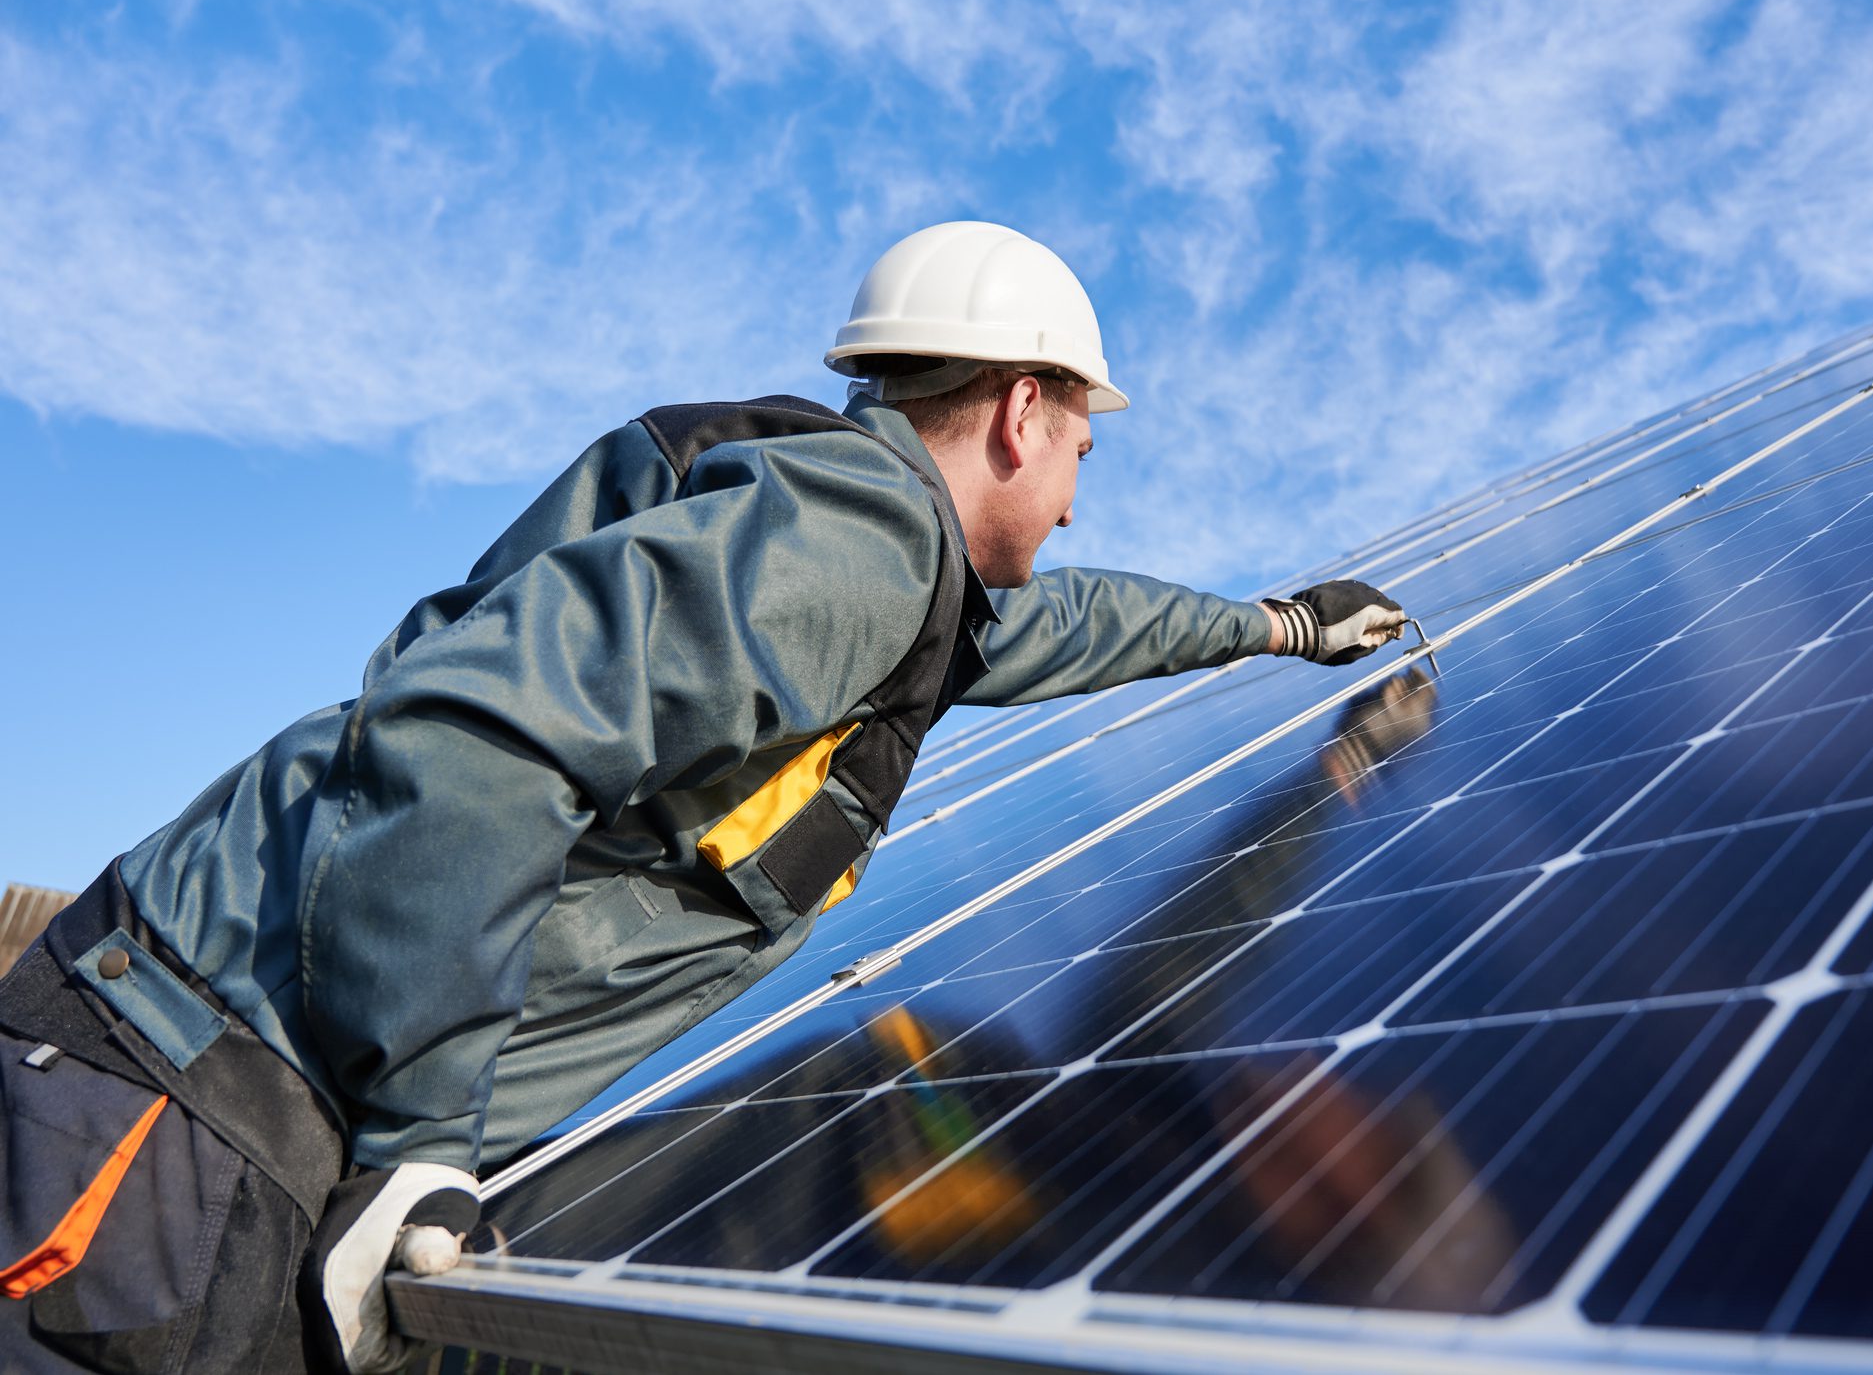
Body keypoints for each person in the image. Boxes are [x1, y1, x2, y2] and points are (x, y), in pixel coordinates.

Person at [0, 221, 1409, 1373]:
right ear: (1020, 409)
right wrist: (427, 1137)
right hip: (189, 1115)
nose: (1073, 503)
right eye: (1077, 460)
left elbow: (1075, 623)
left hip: (218, 1100)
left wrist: (1276, 628)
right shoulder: (853, 548)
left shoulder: (876, 578)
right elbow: (474, 738)